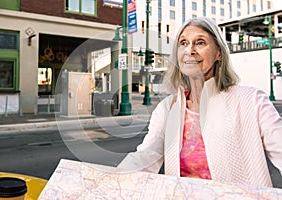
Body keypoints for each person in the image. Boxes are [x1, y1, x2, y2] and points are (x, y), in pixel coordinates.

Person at [117, 17, 282, 187]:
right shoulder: (167, 108)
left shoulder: (252, 101)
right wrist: (107, 180)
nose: (190, 50)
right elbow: (145, 157)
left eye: (200, 43)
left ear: (219, 53)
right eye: (183, 43)